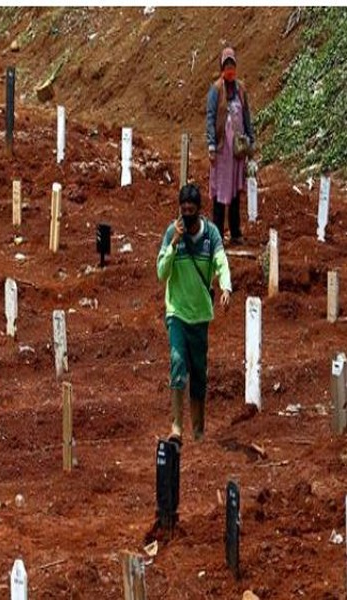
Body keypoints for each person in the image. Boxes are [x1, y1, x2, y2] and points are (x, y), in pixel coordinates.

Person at [156, 184, 232, 443]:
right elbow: (161, 273)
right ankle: (176, 426)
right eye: (183, 210)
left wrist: (226, 286)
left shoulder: (210, 234)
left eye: (191, 210)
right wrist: (173, 245)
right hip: (177, 312)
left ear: (199, 210)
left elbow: (221, 261)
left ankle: (198, 430)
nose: (187, 214)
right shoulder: (171, 233)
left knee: (199, 372)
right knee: (178, 362)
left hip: (200, 315)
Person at [206, 46, 255, 245]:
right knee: (220, 191)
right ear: (221, 68)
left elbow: (246, 116)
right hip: (221, 149)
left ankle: (235, 232)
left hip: (237, 150)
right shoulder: (216, 90)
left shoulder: (241, 89)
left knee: (235, 189)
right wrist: (210, 144)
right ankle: (217, 234)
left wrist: (250, 139)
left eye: (232, 65)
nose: (230, 70)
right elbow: (210, 117)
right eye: (226, 66)